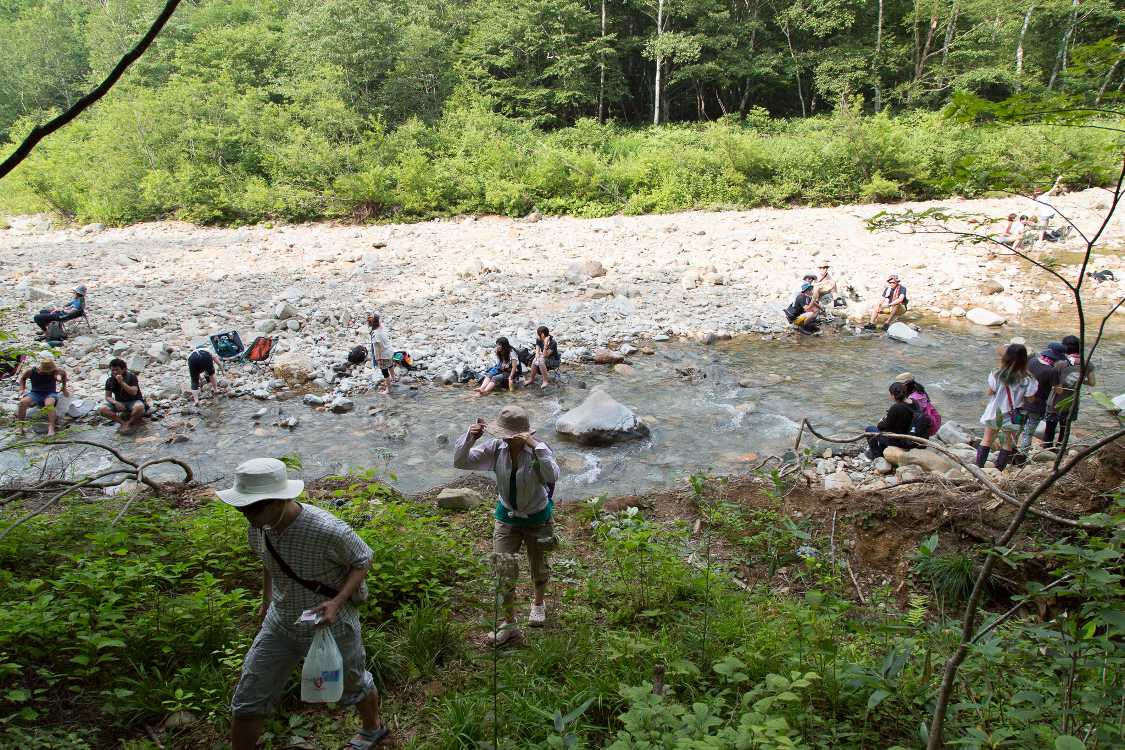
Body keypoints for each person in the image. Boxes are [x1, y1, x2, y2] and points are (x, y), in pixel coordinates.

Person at [215, 458, 387, 750]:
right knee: (249, 695)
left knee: (353, 683)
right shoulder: (259, 526)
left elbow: (363, 559)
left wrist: (336, 602)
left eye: (252, 508)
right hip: (281, 622)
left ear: (279, 500)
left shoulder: (327, 530)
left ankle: (373, 729)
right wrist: (266, 599)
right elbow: (268, 561)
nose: (246, 514)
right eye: (241, 507)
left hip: (331, 623)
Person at [454, 406, 560, 645]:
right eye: (501, 433)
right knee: (502, 568)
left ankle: (538, 603)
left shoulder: (538, 450)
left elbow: (552, 476)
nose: (504, 438)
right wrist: (470, 438)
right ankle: (509, 623)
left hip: (537, 516)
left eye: (508, 434)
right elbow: (461, 462)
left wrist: (535, 445)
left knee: (539, 564)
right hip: (507, 517)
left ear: (521, 434)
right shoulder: (496, 449)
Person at [975, 343, 1037, 471]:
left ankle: (978, 467)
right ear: (1025, 359)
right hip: (1013, 415)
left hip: (994, 412)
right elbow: (1030, 398)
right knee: (1007, 444)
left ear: (1006, 357)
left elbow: (990, 392)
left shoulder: (996, 374)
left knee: (987, 440)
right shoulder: (1028, 379)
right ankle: (998, 470)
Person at [1045, 335, 1096, 449]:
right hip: (1071, 402)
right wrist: (1079, 381)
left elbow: (1050, 380)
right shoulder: (1087, 364)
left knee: (1050, 427)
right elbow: (1092, 383)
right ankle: (1060, 448)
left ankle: (1047, 449)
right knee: (1064, 427)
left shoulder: (1060, 363)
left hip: (1055, 401)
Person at [1018, 342, 1064, 454]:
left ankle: (1010, 450)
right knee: (1029, 431)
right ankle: (1022, 454)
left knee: (1017, 428)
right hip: (1038, 406)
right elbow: (1059, 390)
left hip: (1022, 401)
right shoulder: (1052, 371)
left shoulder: (1032, 361)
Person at [16, 352, 69, 436]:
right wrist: (22, 388)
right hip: (35, 393)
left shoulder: (56, 371)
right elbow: (23, 379)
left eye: (50, 371)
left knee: (49, 404)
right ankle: (20, 426)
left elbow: (64, 374)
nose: (48, 372)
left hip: (50, 393)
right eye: (46, 371)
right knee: (23, 402)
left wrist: (64, 388)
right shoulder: (31, 371)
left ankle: (51, 427)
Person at [865, 382, 918, 459]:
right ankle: (882, 450)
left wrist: (881, 421)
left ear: (893, 395)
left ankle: (876, 455)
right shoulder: (915, 402)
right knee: (887, 431)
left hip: (899, 440)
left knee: (870, 429)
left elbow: (882, 426)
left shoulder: (896, 407)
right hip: (912, 437)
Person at [98, 358, 148, 434]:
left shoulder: (132, 377)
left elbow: (133, 392)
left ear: (124, 369)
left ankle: (129, 422)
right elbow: (108, 396)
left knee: (139, 407)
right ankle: (123, 423)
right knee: (102, 409)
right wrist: (115, 403)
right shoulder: (109, 380)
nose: (114, 372)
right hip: (120, 402)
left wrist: (121, 382)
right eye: (112, 370)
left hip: (134, 401)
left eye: (117, 370)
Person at [895, 372, 941, 437]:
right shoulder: (918, 390)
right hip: (931, 420)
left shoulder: (913, 398)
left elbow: (908, 416)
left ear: (905, 385)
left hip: (926, 426)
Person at [367, 313, 394, 394]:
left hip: (384, 354)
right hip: (390, 351)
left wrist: (378, 359)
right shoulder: (382, 327)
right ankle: (394, 378)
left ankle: (388, 389)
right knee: (390, 365)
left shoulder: (375, 334)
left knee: (384, 371)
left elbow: (379, 348)